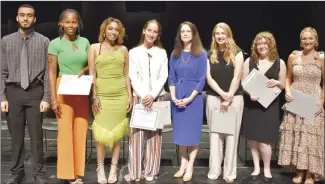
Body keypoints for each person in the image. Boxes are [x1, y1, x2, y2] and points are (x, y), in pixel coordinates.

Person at [1, 4, 50, 184]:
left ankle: (38, 174)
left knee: (36, 137)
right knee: (16, 137)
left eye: (29, 16)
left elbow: (47, 74)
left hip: (35, 92)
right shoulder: (6, 41)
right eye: (22, 15)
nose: (26, 19)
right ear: (17, 18)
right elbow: (2, 72)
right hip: (13, 91)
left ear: (34, 19)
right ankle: (17, 172)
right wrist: (2, 97)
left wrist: (46, 97)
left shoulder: (45, 41)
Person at [48, 9, 90, 184]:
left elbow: (92, 65)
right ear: (61, 23)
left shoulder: (85, 42)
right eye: (67, 22)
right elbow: (51, 73)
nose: (71, 25)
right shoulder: (55, 44)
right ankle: (68, 174)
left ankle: (77, 171)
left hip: (81, 89)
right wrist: (53, 98)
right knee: (65, 133)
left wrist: (85, 70)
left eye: (74, 22)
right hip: (63, 89)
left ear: (78, 23)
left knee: (81, 130)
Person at [88, 17, 132, 184]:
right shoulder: (94, 48)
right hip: (102, 96)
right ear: (104, 30)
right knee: (101, 134)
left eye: (116, 30)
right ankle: (100, 168)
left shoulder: (124, 49)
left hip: (120, 96)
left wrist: (129, 96)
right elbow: (92, 74)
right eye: (110, 29)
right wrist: (94, 96)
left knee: (117, 134)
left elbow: (126, 74)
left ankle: (113, 168)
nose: (113, 32)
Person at [278, 27, 324, 184]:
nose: (307, 41)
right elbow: (288, 78)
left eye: (310, 38)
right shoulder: (293, 57)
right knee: (297, 136)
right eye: (304, 38)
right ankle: (299, 171)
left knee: (310, 138)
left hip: (313, 101)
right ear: (300, 41)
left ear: (316, 40)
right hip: (296, 100)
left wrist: (322, 102)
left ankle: (310, 174)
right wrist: (288, 91)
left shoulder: (321, 58)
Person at [125, 19, 168, 182]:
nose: (151, 34)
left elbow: (163, 75)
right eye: (149, 30)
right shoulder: (134, 52)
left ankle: (150, 170)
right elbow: (133, 76)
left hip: (157, 97)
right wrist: (144, 95)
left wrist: (152, 94)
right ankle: (135, 172)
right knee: (137, 137)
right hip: (139, 98)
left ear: (158, 35)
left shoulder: (162, 53)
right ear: (144, 31)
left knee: (155, 138)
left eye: (155, 31)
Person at [241, 31, 286, 182]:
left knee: (265, 141)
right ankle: (256, 168)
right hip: (252, 105)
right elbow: (243, 84)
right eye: (259, 43)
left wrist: (277, 83)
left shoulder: (280, 62)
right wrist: (249, 94)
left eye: (265, 43)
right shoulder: (249, 61)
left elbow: (283, 85)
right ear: (255, 46)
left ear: (271, 44)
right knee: (253, 139)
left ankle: (266, 168)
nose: (262, 46)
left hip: (270, 106)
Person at [168, 21, 207, 182]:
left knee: (192, 134)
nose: (185, 34)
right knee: (181, 134)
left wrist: (190, 98)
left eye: (188, 31)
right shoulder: (175, 54)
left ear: (193, 34)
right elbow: (171, 77)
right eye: (182, 31)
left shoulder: (201, 54)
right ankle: (182, 164)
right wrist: (174, 97)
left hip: (194, 98)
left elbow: (201, 79)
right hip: (177, 96)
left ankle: (190, 165)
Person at [205, 22, 244, 183]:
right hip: (214, 98)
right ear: (214, 36)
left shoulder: (238, 53)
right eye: (217, 33)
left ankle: (229, 173)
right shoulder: (209, 54)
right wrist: (222, 95)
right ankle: (214, 171)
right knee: (215, 137)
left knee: (231, 136)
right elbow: (208, 77)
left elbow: (237, 77)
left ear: (229, 35)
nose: (220, 36)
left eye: (223, 33)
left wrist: (228, 98)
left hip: (235, 99)